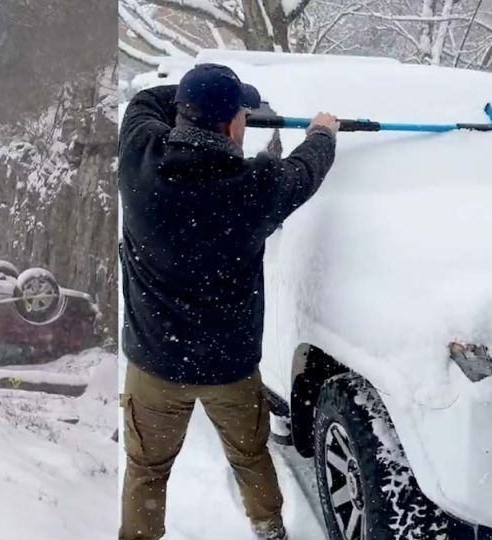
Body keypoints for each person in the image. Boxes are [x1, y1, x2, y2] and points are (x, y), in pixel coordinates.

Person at [118, 63, 339, 540]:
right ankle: (268, 528)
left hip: (155, 365)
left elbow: (145, 103)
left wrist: (208, 97)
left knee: (146, 471)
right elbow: (307, 168)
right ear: (234, 124)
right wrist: (323, 131)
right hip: (229, 369)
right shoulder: (255, 188)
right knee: (249, 454)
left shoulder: (139, 155)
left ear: (182, 112)